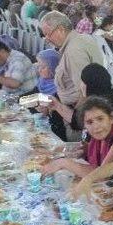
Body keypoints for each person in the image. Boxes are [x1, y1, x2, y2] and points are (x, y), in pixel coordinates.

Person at [41, 96, 113, 206]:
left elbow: (101, 175)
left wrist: (64, 162)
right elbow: (85, 149)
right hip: (107, 196)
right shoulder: (96, 137)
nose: (96, 126)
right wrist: (78, 151)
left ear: (111, 118)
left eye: (100, 119)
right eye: (89, 122)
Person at [39, 11, 104, 139]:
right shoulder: (79, 39)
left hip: (79, 115)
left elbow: (84, 91)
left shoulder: (74, 50)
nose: (46, 38)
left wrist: (75, 120)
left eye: (48, 34)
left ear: (61, 30)